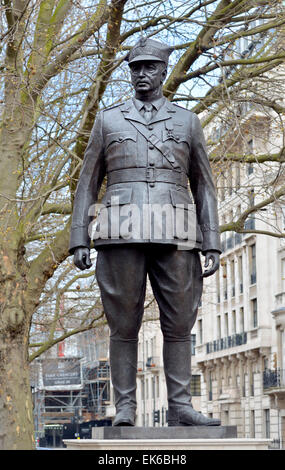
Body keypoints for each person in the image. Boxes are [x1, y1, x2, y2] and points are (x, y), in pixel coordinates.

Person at [69, 38, 221, 426]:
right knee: (123, 322)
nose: (142, 74)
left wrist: (212, 241)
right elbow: (87, 182)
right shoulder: (108, 120)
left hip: (177, 232)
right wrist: (79, 237)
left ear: (163, 71)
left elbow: (203, 184)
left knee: (180, 321)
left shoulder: (188, 121)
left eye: (150, 67)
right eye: (136, 67)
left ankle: (181, 406)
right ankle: (124, 408)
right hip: (120, 231)